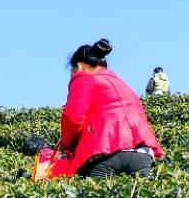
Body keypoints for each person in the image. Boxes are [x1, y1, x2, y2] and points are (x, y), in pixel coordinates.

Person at [57, 39, 163, 178]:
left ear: (79, 66)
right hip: (142, 154)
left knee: (95, 196)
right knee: (138, 197)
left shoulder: (84, 79)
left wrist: (65, 143)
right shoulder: (120, 83)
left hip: (105, 153)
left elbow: (73, 117)